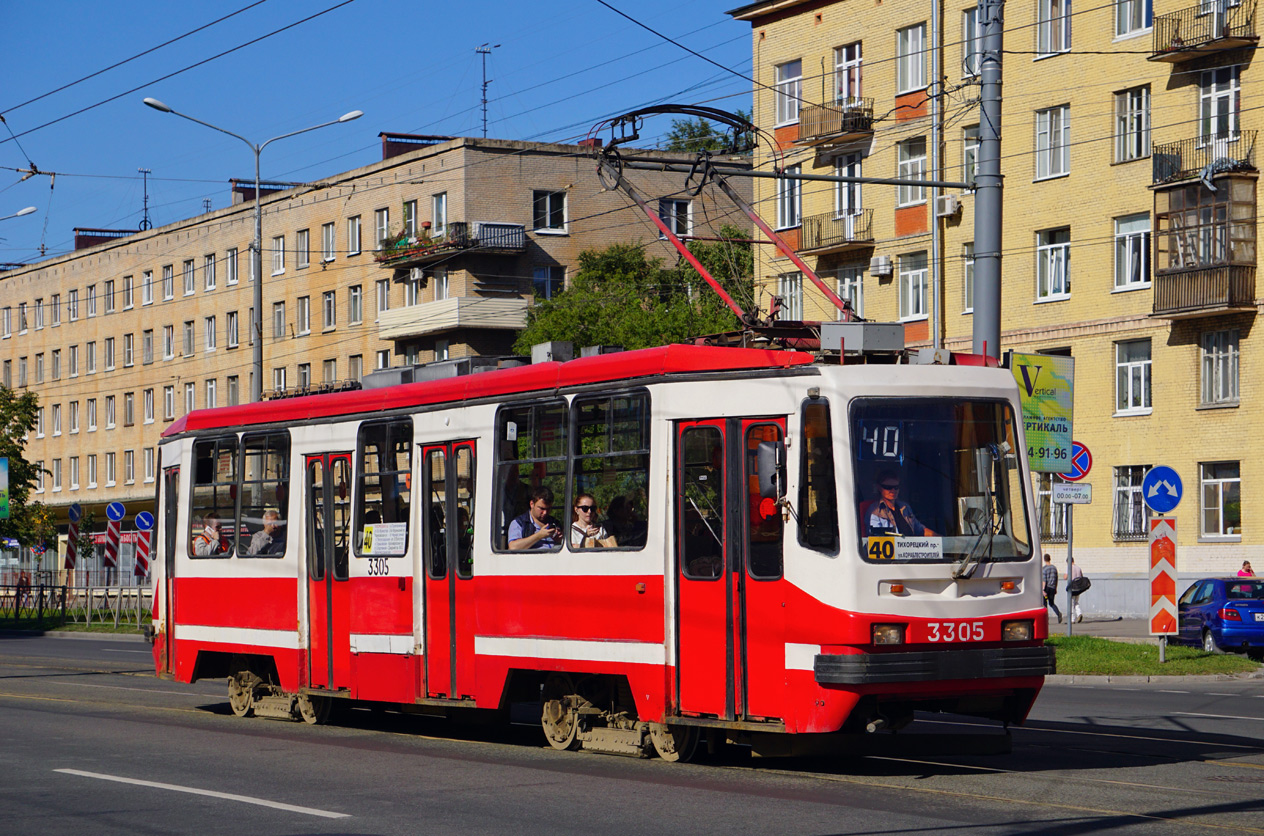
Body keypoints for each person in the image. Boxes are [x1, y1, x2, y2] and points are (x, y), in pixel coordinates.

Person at [864, 470, 936, 537]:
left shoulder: (905, 507)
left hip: (913, 548)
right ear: (879, 487)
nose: (893, 491)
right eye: (888, 487)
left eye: (896, 487)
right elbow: (875, 538)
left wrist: (941, 539)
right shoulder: (874, 511)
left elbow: (920, 530)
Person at [507, 485, 561, 550]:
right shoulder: (519, 523)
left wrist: (560, 539)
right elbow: (513, 547)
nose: (545, 513)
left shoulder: (555, 522)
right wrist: (539, 536)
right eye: (541, 508)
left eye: (548, 509)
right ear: (532, 504)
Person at [1042, 554, 1062, 624]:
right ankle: (1058, 613)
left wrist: (1043, 590)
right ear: (1050, 559)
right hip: (1053, 588)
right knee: (1051, 603)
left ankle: (1046, 619)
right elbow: (1056, 579)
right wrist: (1055, 588)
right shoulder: (1054, 568)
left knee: (1044, 603)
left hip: (1046, 588)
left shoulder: (1044, 569)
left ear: (1044, 559)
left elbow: (1044, 580)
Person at [1067, 557, 1086, 623]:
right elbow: (1081, 577)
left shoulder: (1069, 568)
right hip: (1079, 588)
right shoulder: (1078, 568)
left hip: (1072, 588)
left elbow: (1066, 576)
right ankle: (1079, 613)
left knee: (1071, 604)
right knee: (1076, 602)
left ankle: (1072, 619)